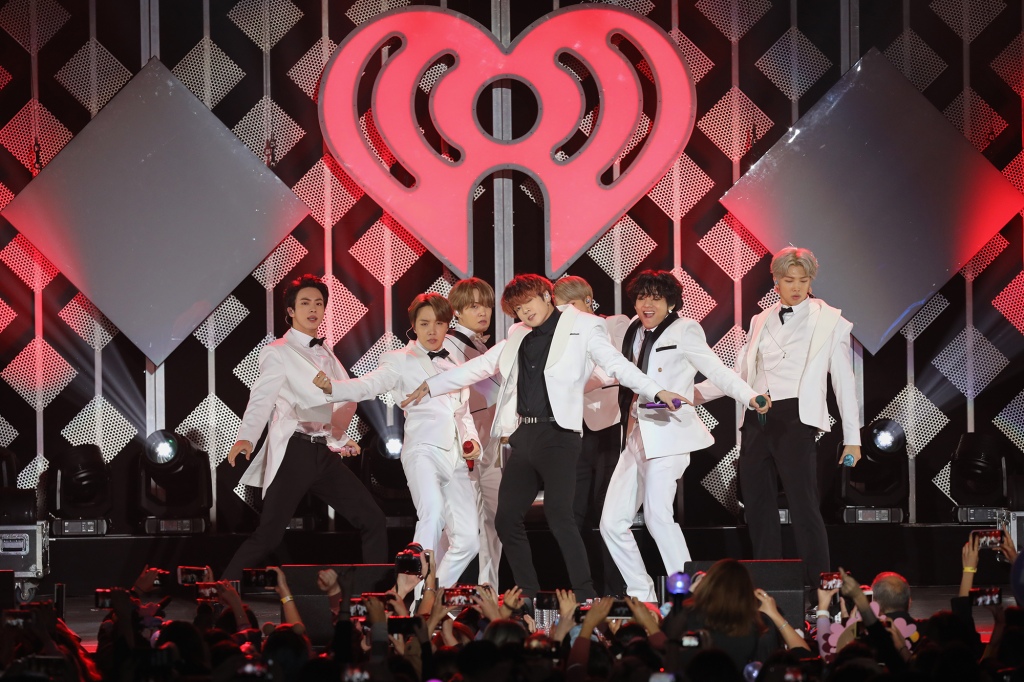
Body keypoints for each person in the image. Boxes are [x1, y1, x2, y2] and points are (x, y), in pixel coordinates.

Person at [402, 274, 690, 600]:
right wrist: (434, 384)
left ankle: (583, 595)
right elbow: (483, 365)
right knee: (507, 519)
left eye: (528, 304)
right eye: (518, 309)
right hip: (524, 434)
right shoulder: (517, 333)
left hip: (559, 435)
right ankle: (526, 596)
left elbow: (616, 365)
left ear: (546, 296)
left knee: (559, 516)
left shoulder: (582, 326)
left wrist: (655, 389)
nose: (524, 313)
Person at [695, 247, 862, 586]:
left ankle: (819, 587)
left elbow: (844, 382)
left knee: (804, 505)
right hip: (757, 416)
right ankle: (768, 582)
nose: (797, 287)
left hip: (796, 416)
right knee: (756, 505)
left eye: (803, 280)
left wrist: (853, 439)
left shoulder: (830, 321)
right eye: (789, 280)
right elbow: (738, 372)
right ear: (776, 282)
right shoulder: (761, 319)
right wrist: (691, 395)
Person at [600, 270, 769, 602]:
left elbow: (717, 370)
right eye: (642, 297)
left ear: (671, 303)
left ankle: (692, 593)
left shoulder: (685, 330)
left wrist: (750, 396)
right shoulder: (634, 330)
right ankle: (642, 593)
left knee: (656, 514)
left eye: (656, 298)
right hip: (637, 436)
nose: (647, 304)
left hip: (670, 434)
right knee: (611, 523)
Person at [223, 274, 387, 579]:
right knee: (269, 535)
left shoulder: (326, 352)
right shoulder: (278, 351)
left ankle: (372, 595)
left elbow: (334, 401)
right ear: (291, 311)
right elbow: (262, 398)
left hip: (322, 454)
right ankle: (220, 591)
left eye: (319, 303)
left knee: (372, 518)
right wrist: (245, 438)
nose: (313, 309)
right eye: (305, 303)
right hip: (294, 453)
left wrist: (340, 439)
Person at [318, 293, 481, 588]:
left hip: (455, 458)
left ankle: (427, 595)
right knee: (431, 514)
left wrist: (471, 440)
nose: (432, 331)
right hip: (422, 450)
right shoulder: (398, 360)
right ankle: (410, 587)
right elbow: (369, 384)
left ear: (448, 326)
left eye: (439, 323)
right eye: (425, 323)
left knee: (469, 541)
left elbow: (463, 411)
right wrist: (334, 388)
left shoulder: (456, 361)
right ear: (414, 327)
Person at [553, 276, 629, 595]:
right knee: (572, 515)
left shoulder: (616, 325)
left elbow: (620, 368)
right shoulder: (556, 336)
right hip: (572, 431)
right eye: (561, 309)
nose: (568, 314)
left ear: (588, 300)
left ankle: (616, 590)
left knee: (610, 512)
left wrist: (581, 382)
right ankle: (581, 590)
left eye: (572, 306)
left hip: (611, 428)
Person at [442, 277, 502, 588]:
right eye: (474, 306)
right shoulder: (449, 345)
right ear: (456, 311)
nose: (483, 312)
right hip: (465, 444)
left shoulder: (483, 345)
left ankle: (486, 591)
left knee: (492, 521)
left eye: (487, 306)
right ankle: (431, 591)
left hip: (490, 442)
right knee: (455, 527)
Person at [676, 558, 808, 669]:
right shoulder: (756, 628)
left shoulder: (687, 619)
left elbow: (664, 642)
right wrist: (775, 615)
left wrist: (692, 593)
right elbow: (805, 657)